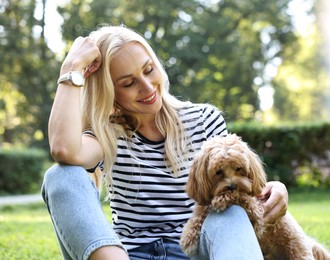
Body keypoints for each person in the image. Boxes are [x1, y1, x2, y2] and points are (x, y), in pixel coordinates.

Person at [41, 25, 289, 260]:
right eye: (128, 83)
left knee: (231, 212)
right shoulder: (106, 133)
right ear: (110, 92)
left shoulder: (204, 120)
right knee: (61, 176)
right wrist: (71, 68)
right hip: (130, 253)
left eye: (148, 70)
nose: (147, 87)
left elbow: (237, 181)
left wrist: (276, 188)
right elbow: (63, 149)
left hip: (195, 248)